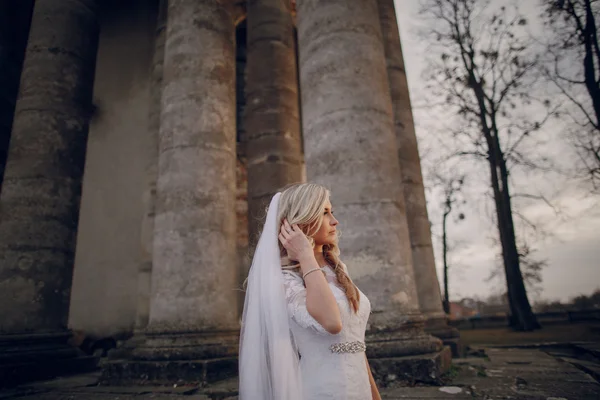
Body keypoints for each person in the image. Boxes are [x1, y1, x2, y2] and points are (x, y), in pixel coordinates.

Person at [239, 183, 381, 400]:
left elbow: (355, 345)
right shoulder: (284, 280)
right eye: (325, 213)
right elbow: (332, 323)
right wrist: (305, 255)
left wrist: (374, 395)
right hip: (322, 391)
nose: (335, 221)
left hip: (360, 389)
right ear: (300, 221)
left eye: (331, 212)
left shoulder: (339, 269)